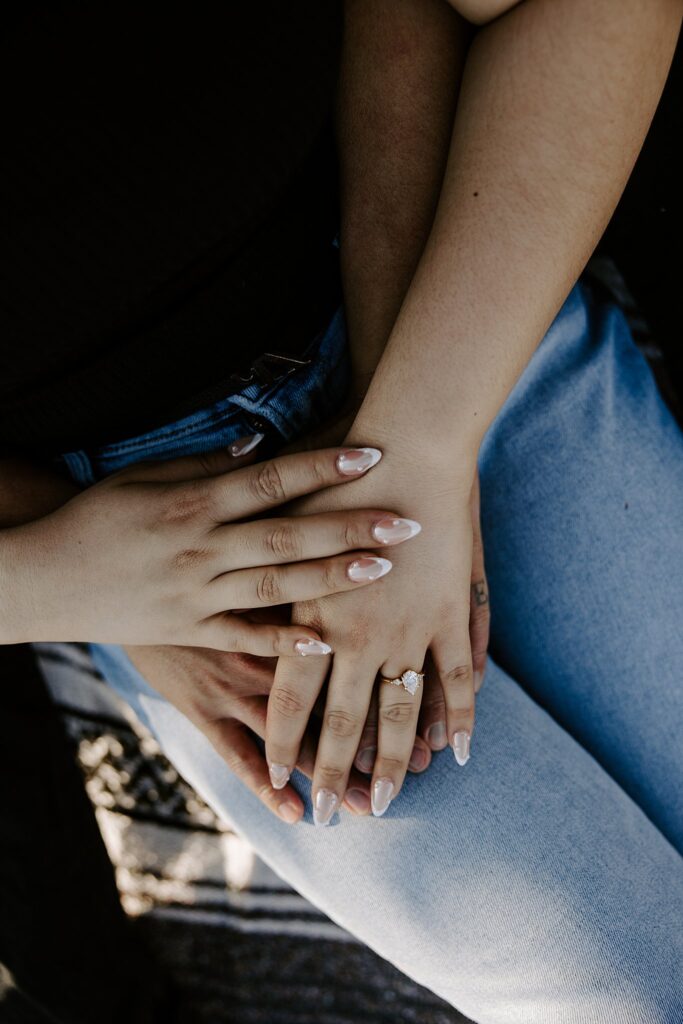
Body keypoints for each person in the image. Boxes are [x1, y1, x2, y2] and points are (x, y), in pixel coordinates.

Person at [1, 1, 682, 1021]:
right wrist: (67, 581)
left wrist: (411, 442)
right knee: (630, 992)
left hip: (441, 311)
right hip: (134, 539)